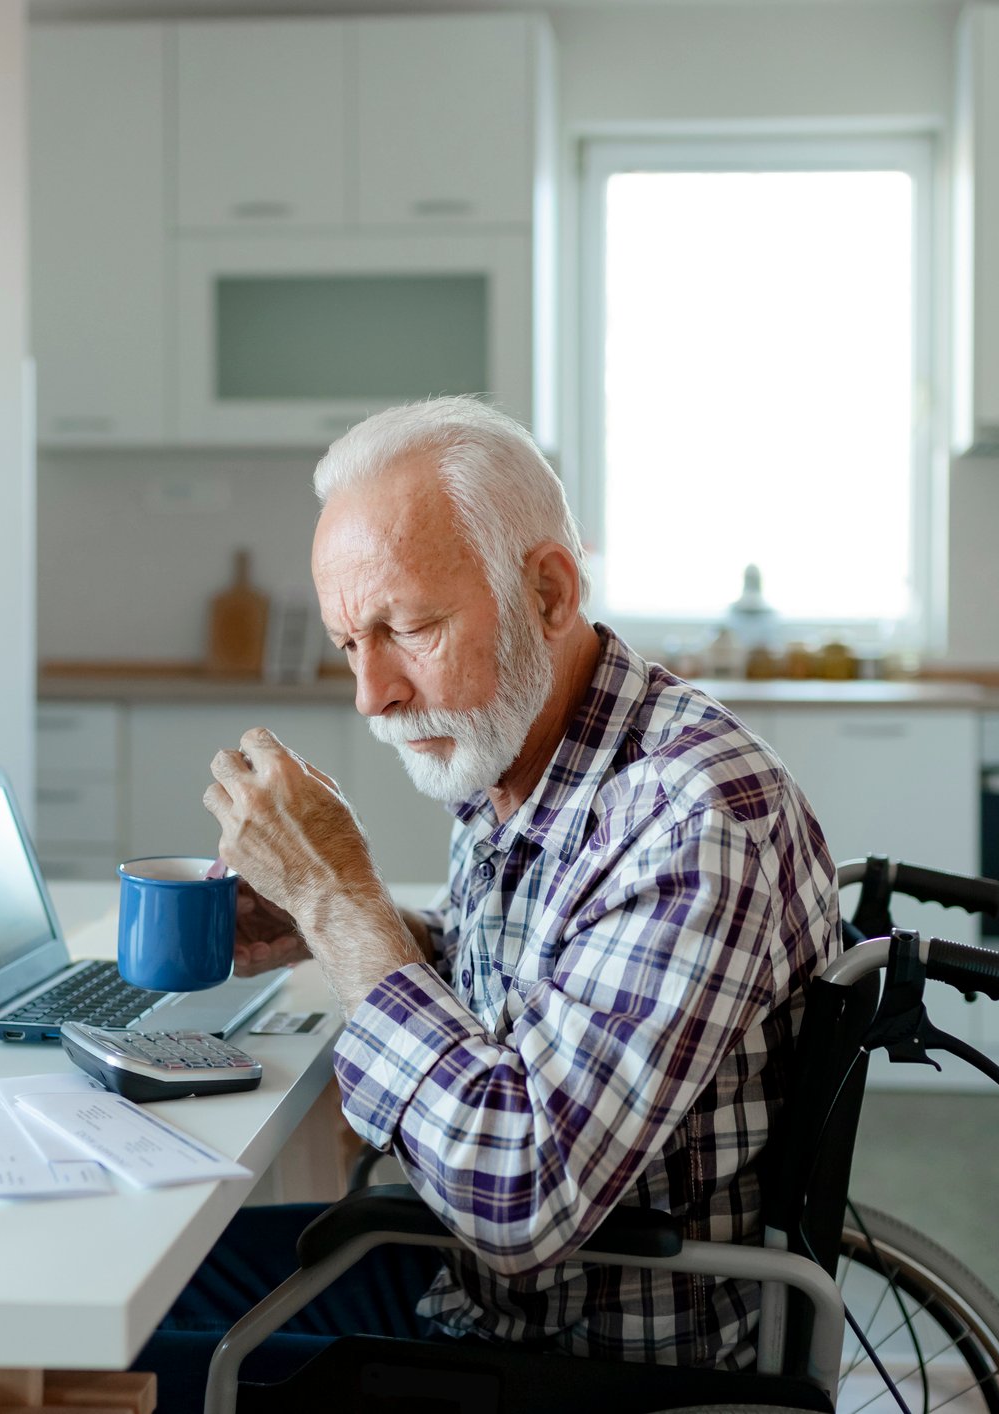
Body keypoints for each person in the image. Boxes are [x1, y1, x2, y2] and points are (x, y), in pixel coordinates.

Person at [133, 396, 840, 1411]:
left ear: (548, 590)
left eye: (408, 628)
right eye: (348, 645)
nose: (372, 693)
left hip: (582, 1356)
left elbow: (520, 1189)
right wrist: (330, 921)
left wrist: (343, 904)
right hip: (481, 1291)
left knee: (141, 1355)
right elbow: (535, 978)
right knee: (156, 1262)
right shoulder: (523, 748)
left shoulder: (691, 816)